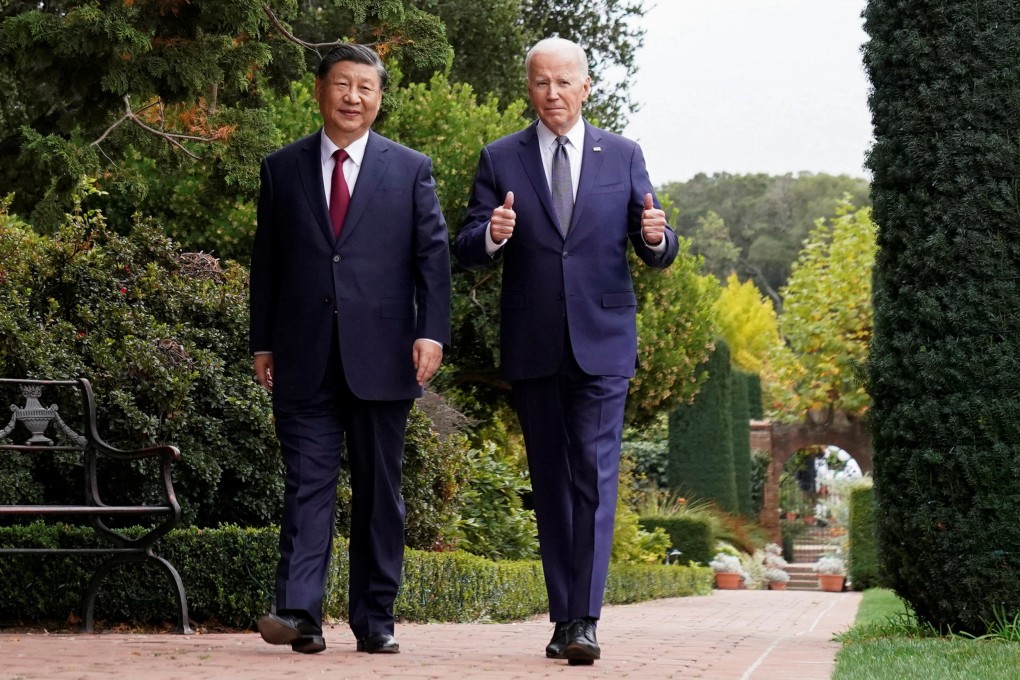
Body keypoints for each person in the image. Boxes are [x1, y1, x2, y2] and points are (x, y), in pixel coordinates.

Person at [453, 37, 678, 665]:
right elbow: (466, 245)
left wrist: (656, 239)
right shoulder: (500, 157)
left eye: (563, 82)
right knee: (551, 483)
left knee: (595, 480)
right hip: (534, 344)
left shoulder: (623, 155)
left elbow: (657, 242)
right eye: (540, 82)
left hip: (603, 343)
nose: (552, 94)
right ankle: (562, 617)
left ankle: (585, 621)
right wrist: (491, 235)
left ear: (585, 87)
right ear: (528, 88)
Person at [249, 44, 451, 656]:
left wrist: (431, 331)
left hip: (385, 355)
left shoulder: (410, 168)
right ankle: (299, 613)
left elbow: (432, 260)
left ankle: (375, 618)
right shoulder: (281, 168)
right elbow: (267, 263)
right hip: (302, 352)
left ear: (380, 98)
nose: (352, 97)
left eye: (365, 87)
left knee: (379, 491)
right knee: (306, 484)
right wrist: (263, 341)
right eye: (342, 84)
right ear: (320, 90)